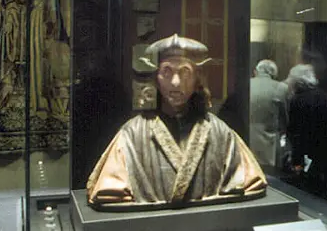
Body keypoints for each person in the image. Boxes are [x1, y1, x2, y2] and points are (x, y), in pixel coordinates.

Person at [87, 34, 266, 210]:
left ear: (198, 79)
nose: (175, 82)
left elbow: (249, 182)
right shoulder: (132, 134)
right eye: (167, 72)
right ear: (155, 77)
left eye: (185, 73)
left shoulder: (219, 132)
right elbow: (109, 191)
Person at [285, 64, 327, 201]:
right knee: (324, 190)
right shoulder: (323, 96)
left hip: (310, 155)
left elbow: (297, 133)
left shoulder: (298, 100)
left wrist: (296, 161)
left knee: (310, 193)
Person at [248, 59, 288, 169]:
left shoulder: (246, 84)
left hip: (245, 138)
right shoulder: (281, 87)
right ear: (274, 74)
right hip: (269, 140)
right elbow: (285, 116)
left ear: (256, 71)